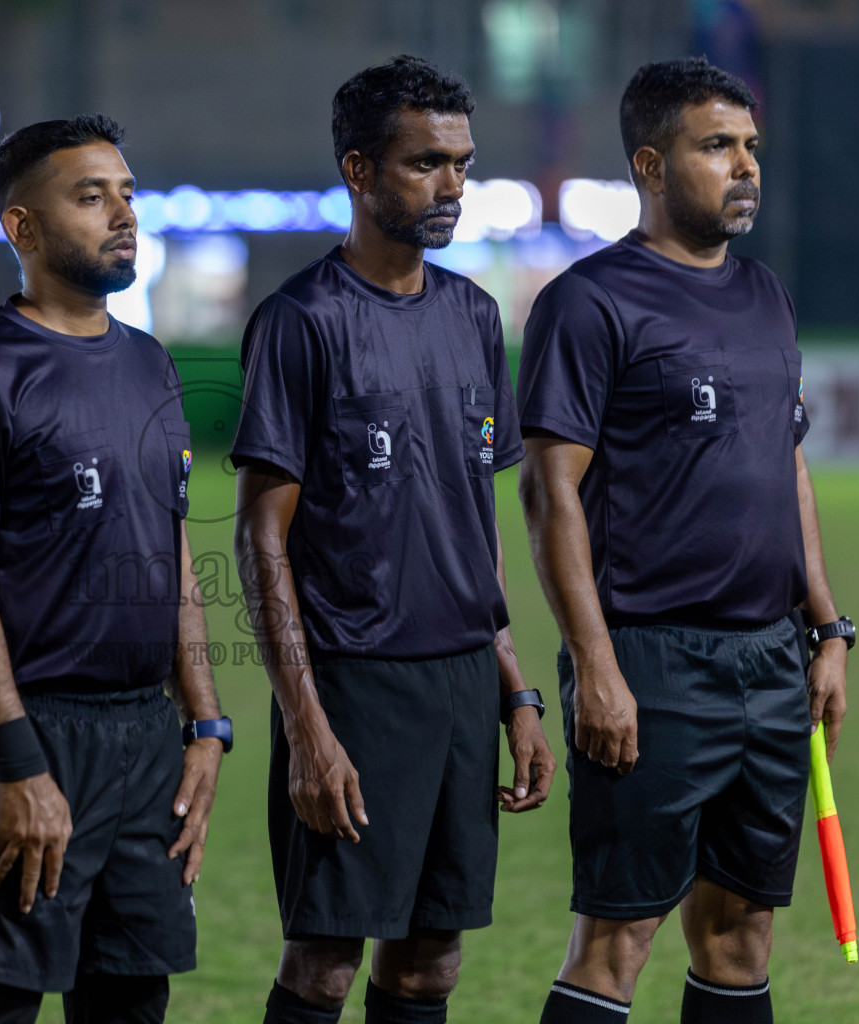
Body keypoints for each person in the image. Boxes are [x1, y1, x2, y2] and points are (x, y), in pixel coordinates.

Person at [516, 57, 850, 1024]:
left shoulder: (767, 297)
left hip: (769, 659)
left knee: (742, 931)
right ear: (652, 165)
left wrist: (826, 629)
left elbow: (784, 470)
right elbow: (551, 496)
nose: (745, 166)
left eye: (750, 147)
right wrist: (598, 664)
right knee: (619, 936)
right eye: (718, 146)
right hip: (652, 661)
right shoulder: (591, 301)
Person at [230, 56, 555, 1024]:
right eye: (427, 163)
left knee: (430, 963)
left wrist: (516, 690)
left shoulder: (474, 316)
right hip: (354, 683)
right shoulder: (299, 322)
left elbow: (474, 524)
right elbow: (261, 540)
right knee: (324, 963)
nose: (453, 185)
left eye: (462, 163)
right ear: (360, 170)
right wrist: (306, 726)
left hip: (460, 682)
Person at [0, 114, 225, 1024]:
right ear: (23, 227)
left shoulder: (150, 365)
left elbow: (173, 562)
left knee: (133, 999)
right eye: (90, 197)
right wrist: (16, 763)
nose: (122, 214)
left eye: (127, 194)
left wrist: (203, 725)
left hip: (146, 739)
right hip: (34, 732)